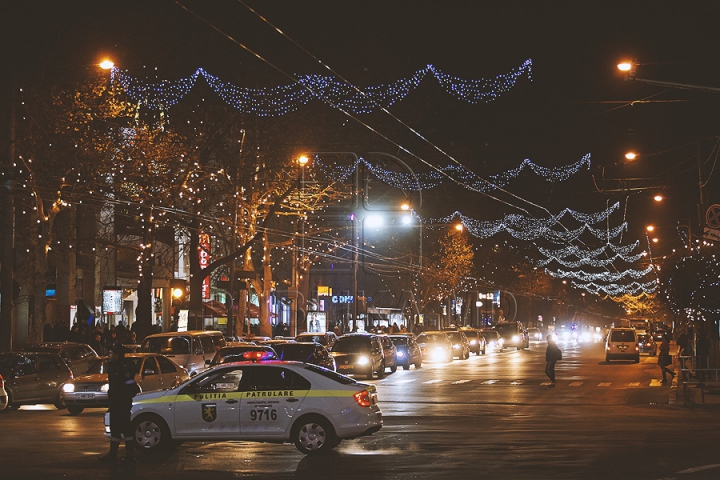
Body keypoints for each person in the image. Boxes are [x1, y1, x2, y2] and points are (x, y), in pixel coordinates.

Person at [99, 343, 140, 466]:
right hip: (115, 403)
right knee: (115, 429)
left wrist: (124, 398)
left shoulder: (125, 367)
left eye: (111, 353)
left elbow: (131, 386)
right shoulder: (112, 367)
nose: (108, 356)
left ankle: (130, 456)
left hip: (123, 403)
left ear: (117, 354)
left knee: (126, 429)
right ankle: (113, 454)